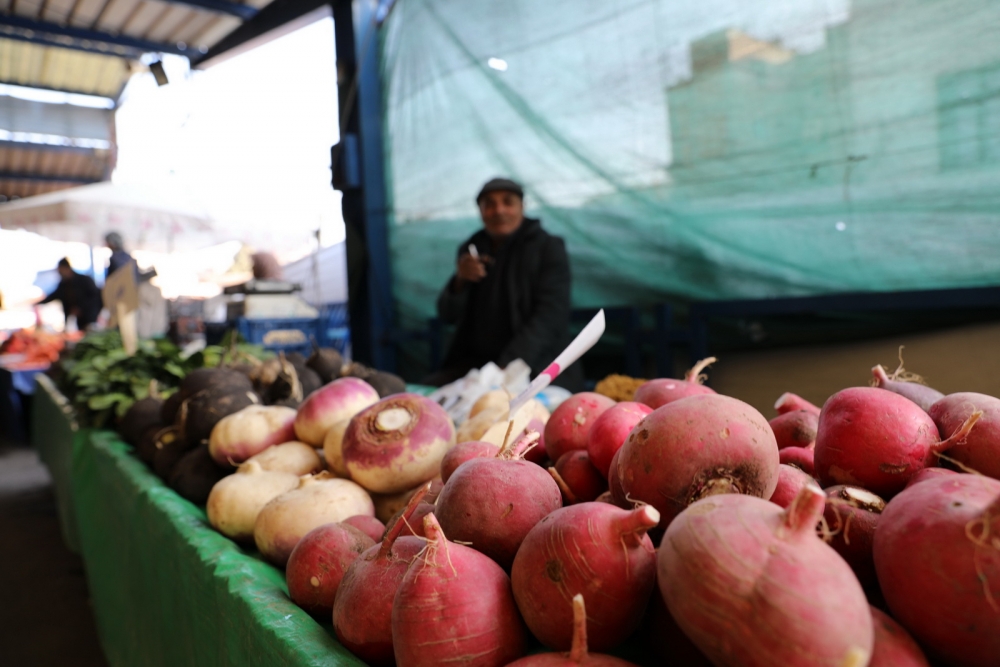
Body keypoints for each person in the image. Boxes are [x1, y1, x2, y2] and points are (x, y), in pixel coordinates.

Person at [430, 177, 582, 390]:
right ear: (480, 211)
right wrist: (460, 280)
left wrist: (508, 366)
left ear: (522, 206)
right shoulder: (471, 250)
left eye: (507, 202)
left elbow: (550, 316)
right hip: (474, 367)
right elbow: (446, 314)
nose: (499, 210)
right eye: (489, 204)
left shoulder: (547, 248)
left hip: (535, 367)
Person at [38, 258, 103, 330]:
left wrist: (81, 308)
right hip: (78, 320)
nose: (59, 273)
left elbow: (95, 297)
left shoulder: (84, 280)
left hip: (90, 317)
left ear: (66, 268)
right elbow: (54, 295)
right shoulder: (63, 284)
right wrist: (38, 302)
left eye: (60, 270)